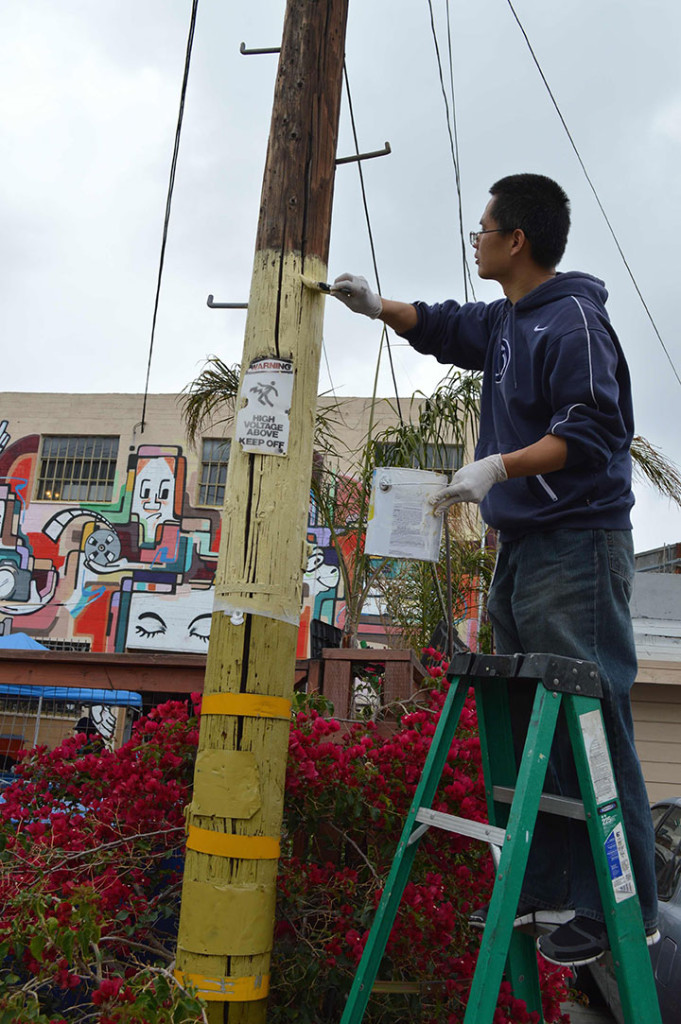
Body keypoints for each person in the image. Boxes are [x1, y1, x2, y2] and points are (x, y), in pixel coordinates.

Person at [331, 173, 658, 967]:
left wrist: (494, 468)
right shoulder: (511, 318)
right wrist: (377, 307)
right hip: (526, 546)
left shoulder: (572, 320)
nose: (474, 238)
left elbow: (591, 432)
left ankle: (625, 902)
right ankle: (544, 891)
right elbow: (445, 326)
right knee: (523, 713)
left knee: (588, 709)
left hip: (576, 544)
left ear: (516, 240)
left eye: (482, 228)